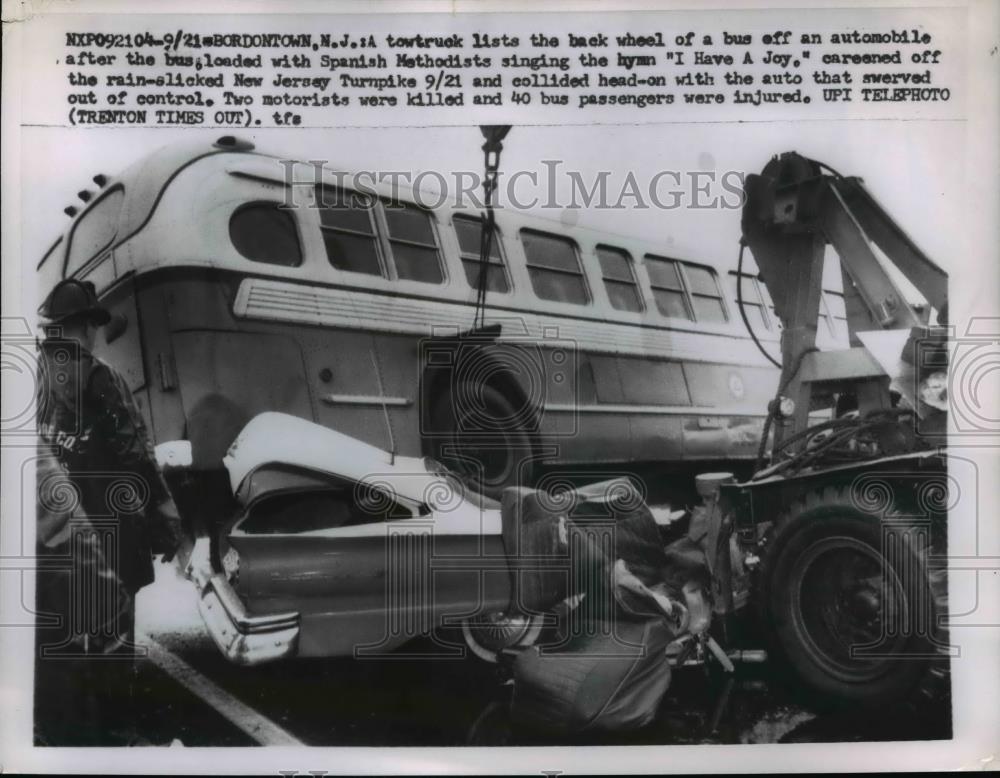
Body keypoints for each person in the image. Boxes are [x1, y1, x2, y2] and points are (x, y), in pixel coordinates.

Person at [34, 278, 184, 745]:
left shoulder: (36, 375)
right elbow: (134, 452)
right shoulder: (99, 375)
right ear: (85, 326)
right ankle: (120, 732)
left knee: (57, 625)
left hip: (56, 524)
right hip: (108, 522)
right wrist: (165, 513)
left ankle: (55, 724)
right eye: (94, 324)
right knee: (113, 622)